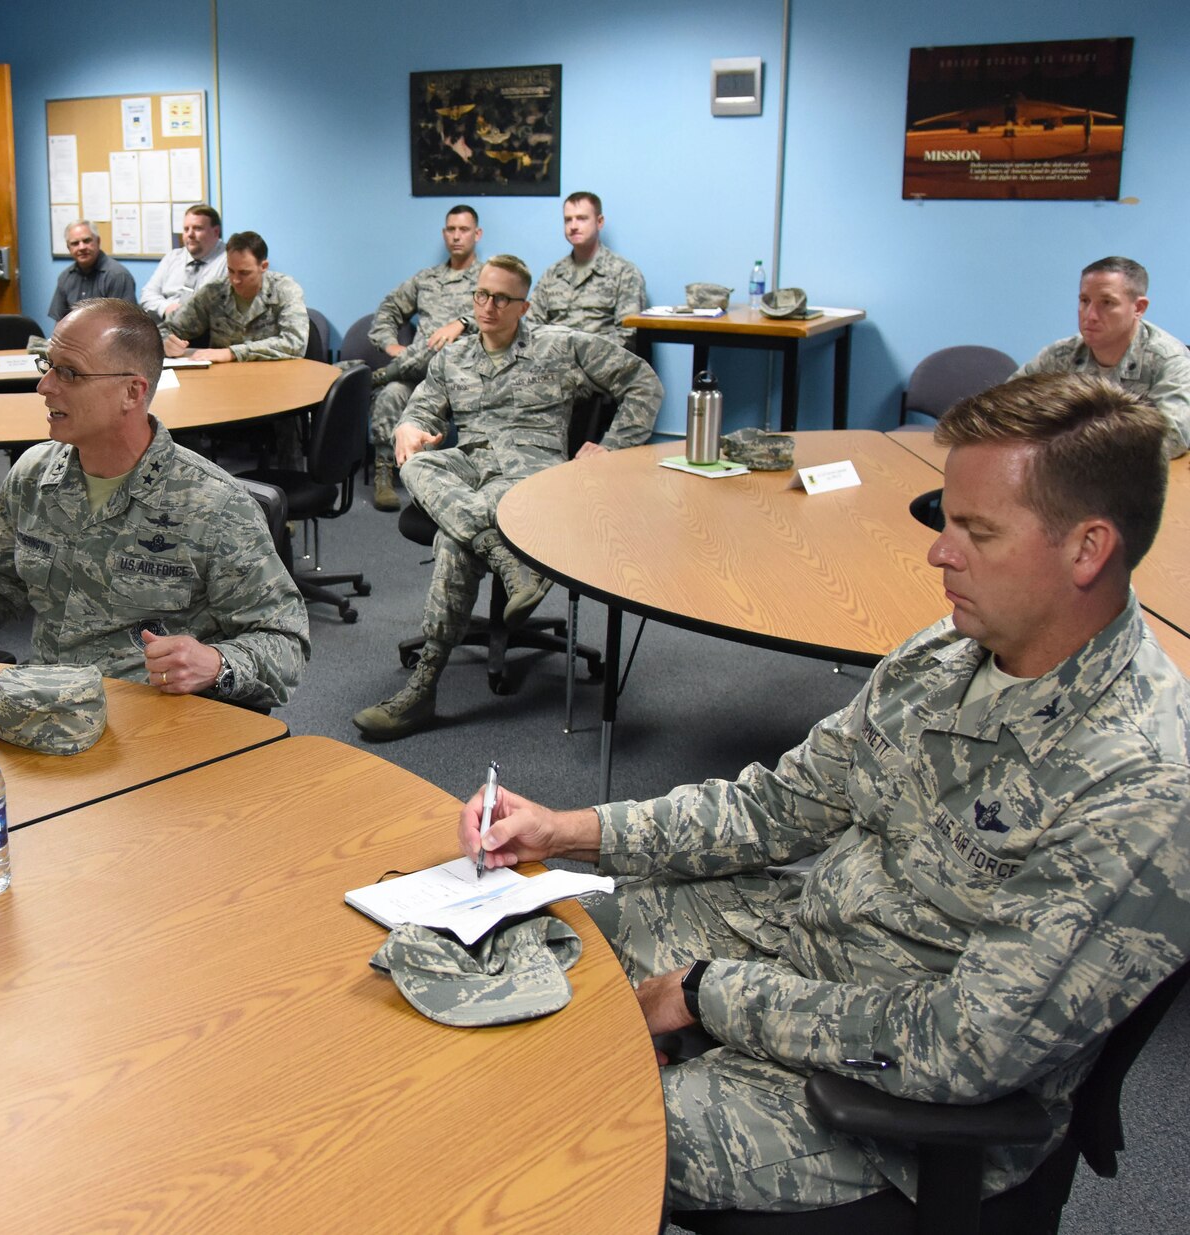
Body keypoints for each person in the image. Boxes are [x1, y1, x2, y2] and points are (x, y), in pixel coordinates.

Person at [460, 373, 1190, 1217]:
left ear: (1088, 548)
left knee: (548, 1137)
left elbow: (965, 1045)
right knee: (531, 934)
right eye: (943, 519)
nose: (938, 553)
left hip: (891, 1093)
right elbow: (776, 806)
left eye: (976, 532)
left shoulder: (1139, 784)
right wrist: (567, 829)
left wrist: (707, 995)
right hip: (799, 940)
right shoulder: (947, 654)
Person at [0, 298, 308, 710]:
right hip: (48, 715)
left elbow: (285, 642)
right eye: (48, 366)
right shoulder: (34, 476)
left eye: (69, 373)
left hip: (152, 730)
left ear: (132, 393)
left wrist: (216, 662)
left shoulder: (213, 505)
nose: (44, 386)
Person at [353, 255, 661, 740]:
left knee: (455, 542)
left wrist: (612, 447)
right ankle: (504, 555)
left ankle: (424, 684)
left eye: (501, 298)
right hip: (470, 468)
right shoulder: (453, 357)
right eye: (481, 295)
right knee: (419, 464)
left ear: (524, 305)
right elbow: (421, 411)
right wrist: (410, 429)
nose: (488, 306)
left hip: (530, 475)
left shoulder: (560, 347)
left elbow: (641, 381)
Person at [366, 206, 486, 510]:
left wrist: (462, 322)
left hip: (464, 373)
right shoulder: (427, 278)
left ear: (477, 234)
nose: (456, 236)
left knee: (444, 344)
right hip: (417, 373)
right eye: (451, 229)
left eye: (464, 229)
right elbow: (388, 309)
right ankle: (384, 472)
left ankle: (383, 373)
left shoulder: (488, 279)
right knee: (392, 394)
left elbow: (502, 318)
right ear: (444, 233)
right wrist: (392, 347)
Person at [1015, 256, 1190, 458]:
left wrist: (1071, 443)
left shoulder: (1170, 360)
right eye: (1084, 301)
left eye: (1107, 302)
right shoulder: (1061, 355)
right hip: (1066, 477)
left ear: (1139, 308)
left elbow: (1171, 438)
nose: (1090, 315)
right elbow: (1006, 409)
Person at [162, 231, 309, 364]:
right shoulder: (214, 292)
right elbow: (167, 328)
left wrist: (232, 353)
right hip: (223, 379)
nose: (235, 280)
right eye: (231, 271)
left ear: (263, 266)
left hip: (275, 377)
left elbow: (295, 343)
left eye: (244, 273)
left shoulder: (285, 289)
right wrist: (165, 343)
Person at [524, 191, 648, 346]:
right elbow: (531, 329)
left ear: (599, 222)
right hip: (552, 365)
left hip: (603, 366)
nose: (573, 226)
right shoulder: (552, 275)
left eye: (582, 218)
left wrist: (579, 358)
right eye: (568, 220)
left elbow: (628, 336)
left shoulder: (625, 273)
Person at [139, 204, 227, 322]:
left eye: (197, 228)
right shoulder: (172, 257)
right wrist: (166, 308)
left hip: (207, 331)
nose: (190, 234)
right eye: (186, 229)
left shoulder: (229, 261)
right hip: (166, 325)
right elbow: (147, 294)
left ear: (216, 232)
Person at [48, 220, 137, 321]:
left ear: (98, 241)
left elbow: (125, 324)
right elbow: (60, 321)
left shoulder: (118, 276)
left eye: (86, 241)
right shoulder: (65, 277)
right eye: (75, 243)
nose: (81, 247)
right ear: (68, 248)